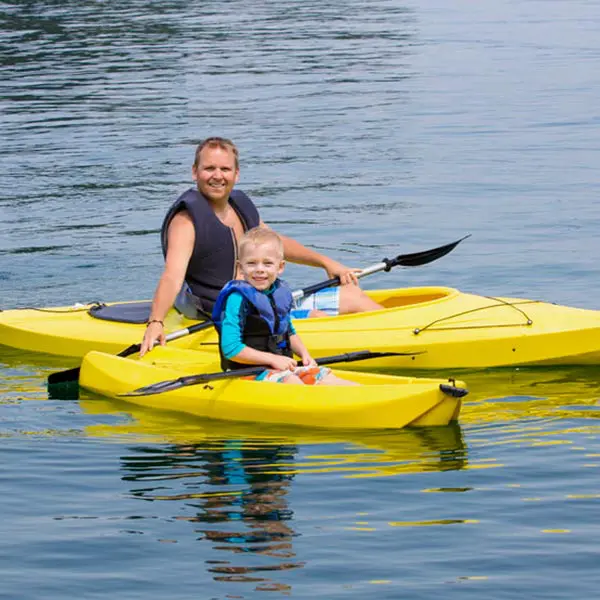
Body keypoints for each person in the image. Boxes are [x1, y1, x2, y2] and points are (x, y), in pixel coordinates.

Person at [140, 136, 382, 356]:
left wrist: (327, 263)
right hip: (231, 313)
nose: (217, 176)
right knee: (316, 318)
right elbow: (172, 276)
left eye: (225, 169)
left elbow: (275, 245)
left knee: (352, 295)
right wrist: (156, 322)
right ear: (195, 172)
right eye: (209, 168)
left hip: (263, 297)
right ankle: (394, 337)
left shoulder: (240, 205)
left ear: (236, 174)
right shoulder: (187, 221)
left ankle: (400, 330)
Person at [212, 227, 357, 385]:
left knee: (324, 375)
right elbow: (231, 349)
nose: (259, 269)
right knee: (291, 382)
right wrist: (273, 359)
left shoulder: (279, 293)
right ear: (240, 268)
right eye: (252, 263)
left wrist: (304, 354)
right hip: (246, 372)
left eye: (267, 263)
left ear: (280, 267)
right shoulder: (237, 299)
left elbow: (288, 332)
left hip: (280, 366)